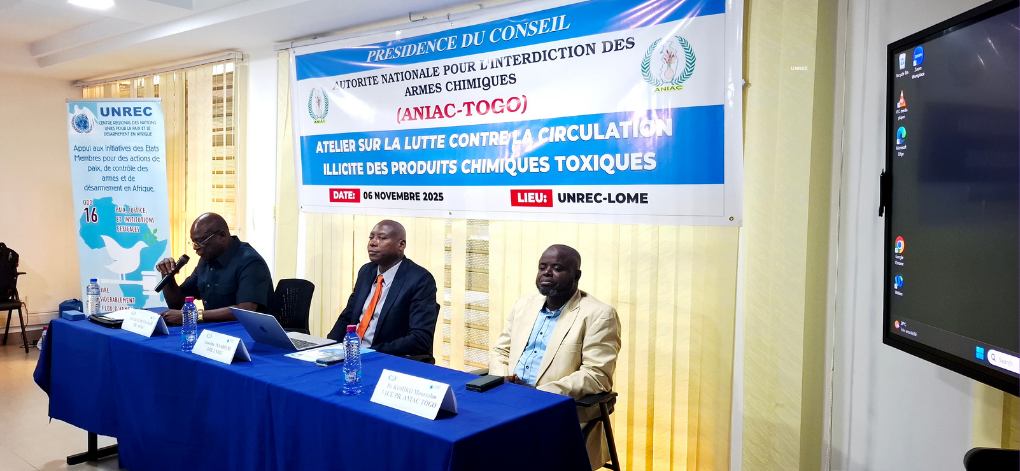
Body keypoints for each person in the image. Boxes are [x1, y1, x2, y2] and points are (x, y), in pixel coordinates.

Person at [489, 244, 622, 470]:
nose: (547, 273)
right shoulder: (523, 304)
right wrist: (504, 381)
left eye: (558, 268)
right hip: (509, 401)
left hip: (558, 410)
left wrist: (539, 395)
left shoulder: (599, 314)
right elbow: (501, 351)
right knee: (466, 438)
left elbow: (597, 375)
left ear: (576, 276)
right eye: (543, 267)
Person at [327, 220, 439, 358]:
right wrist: (329, 346)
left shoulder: (419, 279)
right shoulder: (366, 271)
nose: (372, 243)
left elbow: (420, 338)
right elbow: (347, 317)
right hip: (351, 356)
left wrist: (368, 352)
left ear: (401, 245)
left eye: (382, 238)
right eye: (371, 237)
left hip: (383, 357)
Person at [155, 213, 273, 326]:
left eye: (200, 242)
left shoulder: (250, 262)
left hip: (245, 333)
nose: (195, 248)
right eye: (194, 242)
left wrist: (194, 316)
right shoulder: (206, 260)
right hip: (213, 332)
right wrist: (168, 276)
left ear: (221, 236)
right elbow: (178, 304)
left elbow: (245, 311)